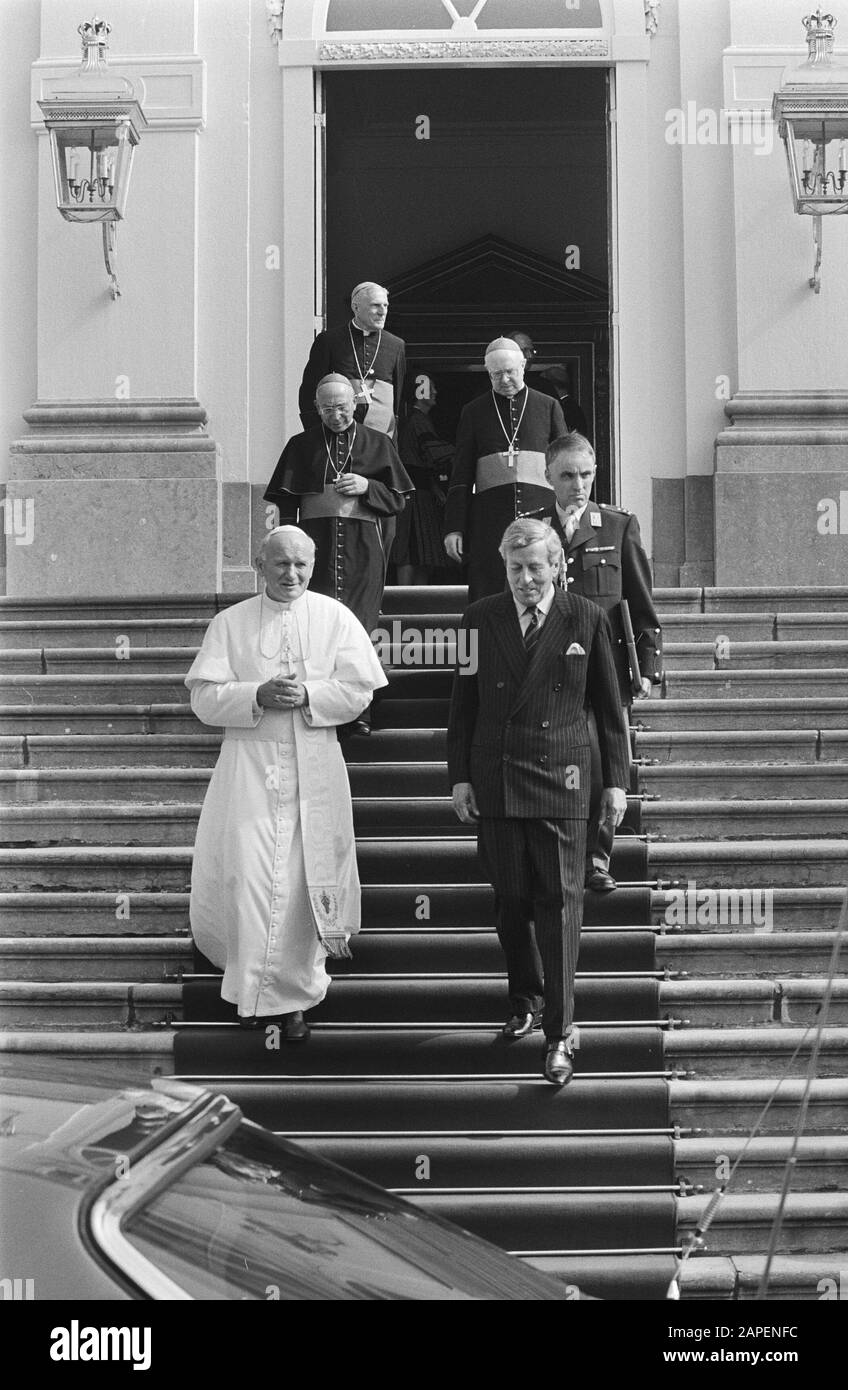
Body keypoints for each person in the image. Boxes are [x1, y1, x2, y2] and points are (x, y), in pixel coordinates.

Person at [447, 518, 630, 1086]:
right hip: (497, 775)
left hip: (565, 780)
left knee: (559, 904)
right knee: (510, 898)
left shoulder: (587, 617)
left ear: (557, 566)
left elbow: (610, 706)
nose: (526, 580)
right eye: (515, 568)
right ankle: (524, 997)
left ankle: (561, 1034)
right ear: (503, 568)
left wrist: (617, 782)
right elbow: (462, 704)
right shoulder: (479, 619)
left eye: (536, 567)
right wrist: (459, 777)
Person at [186, 526, 388, 1037]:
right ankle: (250, 982)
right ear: (260, 564)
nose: (291, 574)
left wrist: (309, 695)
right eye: (280, 564)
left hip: (314, 763)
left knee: (301, 878)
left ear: (314, 565)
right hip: (249, 768)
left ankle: (293, 994)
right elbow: (204, 699)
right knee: (250, 875)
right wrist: (255, 694)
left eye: (301, 564)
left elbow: (360, 689)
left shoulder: (335, 618)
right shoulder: (229, 624)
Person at [544, 432, 663, 892]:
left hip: (605, 665)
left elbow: (641, 600)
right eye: (568, 475)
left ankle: (597, 857)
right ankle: (561, 852)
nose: (579, 485)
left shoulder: (617, 525)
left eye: (587, 474)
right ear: (549, 475)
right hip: (550, 666)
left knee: (603, 760)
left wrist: (647, 667)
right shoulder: (533, 528)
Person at [264, 374, 413, 735]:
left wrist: (368, 486)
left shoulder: (377, 443)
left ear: (355, 405)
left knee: (360, 630)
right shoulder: (301, 445)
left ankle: (360, 710)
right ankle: (318, 703)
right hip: (316, 549)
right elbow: (287, 504)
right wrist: (287, 545)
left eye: (343, 408)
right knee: (316, 629)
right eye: (328, 409)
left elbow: (398, 499)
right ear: (317, 409)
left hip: (364, 550)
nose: (336, 416)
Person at [443, 337, 565, 601]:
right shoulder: (474, 411)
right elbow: (461, 474)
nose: (505, 379)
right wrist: (455, 527)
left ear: (523, 365)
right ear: (488, 373)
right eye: (497, 374)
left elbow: (564, 466)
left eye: (510, 371)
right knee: (491, 593)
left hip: (541, 514)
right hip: (490, 520)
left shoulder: (548, 406)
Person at [298, 281, 405, 439]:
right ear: (356, 307)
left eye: (386, 305)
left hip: (380, 439)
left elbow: (399, 398)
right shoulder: (329, 341)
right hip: (335, 435)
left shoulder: (396, 345)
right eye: (375, 305)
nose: (382, 312)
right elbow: (309, 393)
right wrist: (318, 435)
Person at [393, 374, 454, 584]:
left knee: (422, 555)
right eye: (432, 387)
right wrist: (463, 454)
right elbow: (435, 455)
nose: (435, 392)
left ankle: (415, 608)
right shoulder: (417, 420)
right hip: (413, 494)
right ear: (420, 391)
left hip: (422, 492)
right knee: (412, 551)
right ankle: (405, 609)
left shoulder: (418, 419)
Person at [509, 331, 590, 437]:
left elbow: (558, 428)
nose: (529, 356)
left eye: (531, 351)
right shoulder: (488, 386)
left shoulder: (543, 386)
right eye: (524, 350)